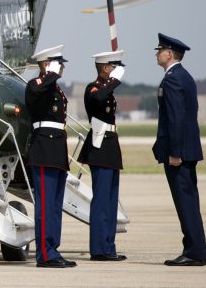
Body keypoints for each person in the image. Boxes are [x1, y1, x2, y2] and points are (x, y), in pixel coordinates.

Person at [152, 33, 206, 267]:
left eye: (159, 50)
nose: (156, 54)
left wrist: (174, 152)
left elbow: (175, 119)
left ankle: (194, 252)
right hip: (188, 149)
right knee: (190, 201)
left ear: (169, 54)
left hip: (179, 152)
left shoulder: (173, 79)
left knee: (185, 202)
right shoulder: (185, 77)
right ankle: (196, 250)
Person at [25, 45, 76, 268]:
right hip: (44, 149)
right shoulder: (36, 85)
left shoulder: (54, 88)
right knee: (45, 206)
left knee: (55, 205)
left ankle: (53, 249)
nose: (62, 67)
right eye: (58, 63)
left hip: (57, 150)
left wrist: (52, 76)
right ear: (46, 64)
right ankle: (44, 254)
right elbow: (35, 94)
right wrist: (50, 74)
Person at [77, 50, 127, 262]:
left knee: (111, 200)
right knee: (101, 201)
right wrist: (115, 80)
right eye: (114, 66)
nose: (117, 70)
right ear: (105, 68)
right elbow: (98, 97)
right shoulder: (94, 88)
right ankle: (99, 249)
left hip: (110, 146)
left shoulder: (107, 89)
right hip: (99, 147)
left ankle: (109, 247)